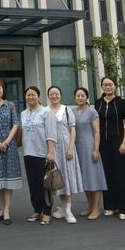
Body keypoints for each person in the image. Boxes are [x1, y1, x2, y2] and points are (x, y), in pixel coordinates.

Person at [95, 76, 125, 220]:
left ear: (115, 86)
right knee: (106, 173)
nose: (108, 87)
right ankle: (110, 206)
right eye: (105, 85)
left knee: (120, 174)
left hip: (118, 142)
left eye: (110, 84)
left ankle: (123, 208)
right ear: (102, 87)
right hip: (103, 144)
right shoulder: (98, 103)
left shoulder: (121, 102)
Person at [46, 86, 84, 224]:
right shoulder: (45, 111)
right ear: (48, 96)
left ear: (60, 95)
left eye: (56, 93)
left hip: (66, 147)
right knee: (57, 178)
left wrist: (71, 148)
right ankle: (62, 208)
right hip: (51, 148)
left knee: (67, 178)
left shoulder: (67, 110)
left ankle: (68, 210)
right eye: (51, 94)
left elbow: (72, 129)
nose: (54, 96)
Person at [20, 86, 57, 226]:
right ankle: (37, 209)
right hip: (28, 153)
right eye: (28, 95)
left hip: (43, 154)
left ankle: (47, 212)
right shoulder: (23, 113)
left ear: (38, 96)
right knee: (33, 184)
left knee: (45, 185)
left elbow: (51, 133)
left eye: (33, 94)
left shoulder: (46, 112)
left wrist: (51, 151)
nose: (31, 97)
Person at [0, 81, 22, 225]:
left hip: (9, 146)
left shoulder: (10, 105)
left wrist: (6, 142)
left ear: (3, 90)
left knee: (8, 179)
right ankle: (2, 209)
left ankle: (7, 210)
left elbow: (16, 124)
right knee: (0, 179)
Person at [73, 87, 107, 220]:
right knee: (85, 178)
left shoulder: (92, 111)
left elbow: (97, 132)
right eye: (78, 95)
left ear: (87, 97)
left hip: (89, 146)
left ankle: (96, 209)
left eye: (82, 95)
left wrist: (96, 149)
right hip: (77, 148)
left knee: (94, 177)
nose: (80, 97)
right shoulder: (72, 111)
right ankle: (90, 206)